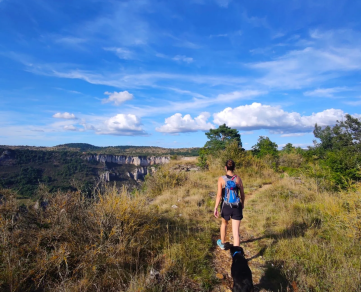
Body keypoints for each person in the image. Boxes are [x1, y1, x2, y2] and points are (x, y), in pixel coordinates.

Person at [214, 159, 245, 249]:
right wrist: (242, 204)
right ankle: (237, 254)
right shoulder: (238, 179)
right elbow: (242, 194)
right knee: (236, 232)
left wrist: (215, 207)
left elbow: (219, 195)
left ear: (225, 167)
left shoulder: (221, 179)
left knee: (224, 224)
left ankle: (222, 243)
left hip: (226, 206)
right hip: (237, 206)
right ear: (234, 168)